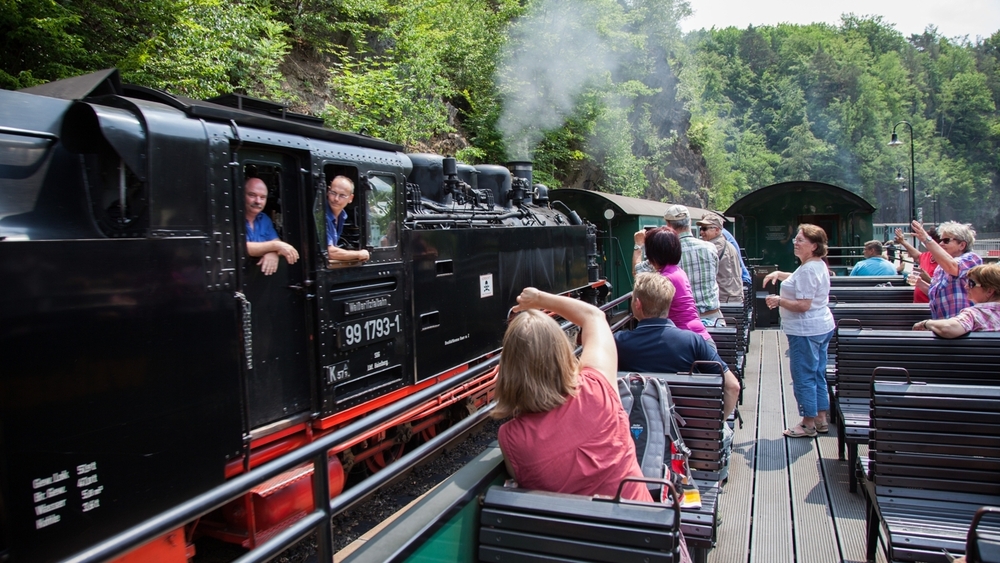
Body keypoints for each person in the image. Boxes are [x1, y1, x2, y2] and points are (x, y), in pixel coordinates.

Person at [495, 287, 692, 562]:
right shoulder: (597, 389)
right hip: (646, 544)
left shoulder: (511, 439)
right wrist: (539, 300)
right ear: (562, 354)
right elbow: (594, 317)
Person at [616, 273, 741, 420]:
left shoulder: (618, 342)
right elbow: (733, 387)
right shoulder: (692, 341)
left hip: (636, 434)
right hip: (691, 435)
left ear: (637, 304)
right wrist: (718, 425)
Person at [762, 224, 835, 438]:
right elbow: (797, 279)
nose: (796, 242)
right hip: (820, 327)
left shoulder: (809, 269)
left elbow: (803, 305)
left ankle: (807, 423)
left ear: (814, 245)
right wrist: (779, 273)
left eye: (801, 239)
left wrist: (778, 300)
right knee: (817, 373)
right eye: (796, 238)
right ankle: (821, 418)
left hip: (806, 331)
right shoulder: (814, 265)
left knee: (803, 376)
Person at [635, 205, 721, 324]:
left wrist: (638, 245)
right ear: (690, 222)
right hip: (714, 319)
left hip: (680, 322)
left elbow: (638, 273)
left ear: (668, 225)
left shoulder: (665, 251)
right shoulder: (710, 248)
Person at [633, 227, 713, 343]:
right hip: (697, 338)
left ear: (652, 253)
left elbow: (637, 275)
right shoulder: (676, 271)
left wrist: (638, 246)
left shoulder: (664, 279)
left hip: (687, 341)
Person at [909, 220, 982, 320]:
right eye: (940, 240)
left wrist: (926, 239)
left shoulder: (972, 259)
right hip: (945, 323)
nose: (941, 244)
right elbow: (935, 293)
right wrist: (920, 283)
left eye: (946, 240)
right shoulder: (941, 266)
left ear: (962, 245)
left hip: (964, 324)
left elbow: (953, 267)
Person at [913, 263, 1000, 337]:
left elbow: (948, 328)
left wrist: (926, 323)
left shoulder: (975, 314)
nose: (966, 286)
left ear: (989, 291)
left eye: (971, 283)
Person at [244, 177, 299, 276]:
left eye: (262, 197)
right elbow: (242, 247)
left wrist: (273, 253)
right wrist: (275, 247)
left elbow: (276, 241)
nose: (258, 201)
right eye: (252, 195)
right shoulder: (232, 219)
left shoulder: (265, 219)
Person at [697, 214, 744, 304]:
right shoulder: (728, 244)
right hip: (734, 297)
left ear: (717, 230)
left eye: (704, 229)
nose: (701, 233)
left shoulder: (713, 247)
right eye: (701, 229)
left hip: (724, 298)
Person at [326, 176, 370, 263]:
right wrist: (359, 254)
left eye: (342, 195)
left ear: (350, 198)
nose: (336, 199)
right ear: (327, 191)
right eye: (333, 193)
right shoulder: (323, 216)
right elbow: (329, 252)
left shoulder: (342, 216)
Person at [895, 226, 940, 303]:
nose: (925, 243)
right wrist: (903, 241)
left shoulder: (946, 262)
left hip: (932, 307)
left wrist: (928, 279)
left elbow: (945, 290)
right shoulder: (928, 256)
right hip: (918, 304)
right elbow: (917, 256)